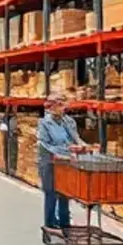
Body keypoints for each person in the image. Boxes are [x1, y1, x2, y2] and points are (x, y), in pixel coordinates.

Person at [38, 92, 88, 229]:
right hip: (49, 162)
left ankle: (65, 222)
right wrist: (65, 152)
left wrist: (84, 146)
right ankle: (50, 223)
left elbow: (76, 138)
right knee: (51, 192)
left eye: (63, 104)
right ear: (50, 107)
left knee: (65, 191)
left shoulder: (69, 122)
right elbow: (46, 144)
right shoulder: (44, 124)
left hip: (66, 162)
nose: (62, 108)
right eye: (58, 105)